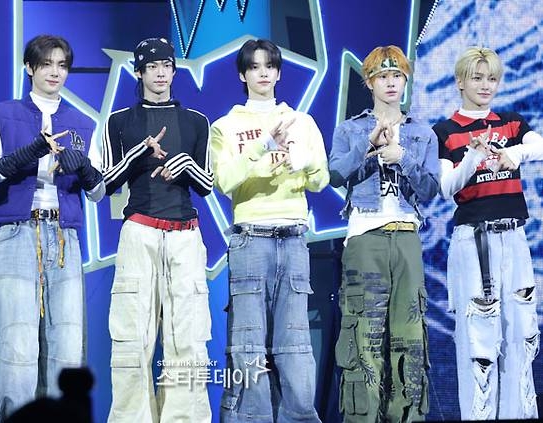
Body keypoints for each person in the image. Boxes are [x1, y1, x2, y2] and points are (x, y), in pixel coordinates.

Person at [0, 34, 104, 422]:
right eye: (46, 64)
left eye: (61, 65)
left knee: (66, 344)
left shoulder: (82, 122)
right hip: (18, 233)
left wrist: (84, 167)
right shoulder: (4, 115)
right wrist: (29, 153)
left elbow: (98, 192)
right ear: (29, 68)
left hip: (64, 237)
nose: (54, 72)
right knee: (15, 347)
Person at [210, 38, 328, 422]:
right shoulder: (226, 126)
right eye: (255, 67)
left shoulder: (302, 122)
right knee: (248, 345)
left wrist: (301, 161)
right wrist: (263, 146)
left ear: (278, 72)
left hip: (293, 238)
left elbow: (321, 179)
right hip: (250, 239)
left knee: (296, 343)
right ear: (243, 75)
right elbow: (224, 180)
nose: (263, 73)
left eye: (270, 66)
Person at [102, 37, 213, 422]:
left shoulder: (196, 121)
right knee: (132, 339)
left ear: (174, 70)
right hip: (140, 233)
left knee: (188, 339)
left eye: (166, 65)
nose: (160, 73)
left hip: (185, 235)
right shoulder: (120, 121)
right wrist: (139, 153)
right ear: (139, 72)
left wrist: (184, 164)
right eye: (151, 67)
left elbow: (207, 184)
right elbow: (106, 183)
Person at [328, 45, 439, 422]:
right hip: (366, 237)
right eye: (382, 76)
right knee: (365, 338)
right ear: (369, 82)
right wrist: (369, 146)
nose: (391, 83)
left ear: (406, 81)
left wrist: (402, 157)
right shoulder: (350, 129)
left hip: (406, 236)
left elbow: (430, 189)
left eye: (397, 76)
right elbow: (334, 175)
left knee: (409, 338)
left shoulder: (422, 133)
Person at [433, 46, 541, 420]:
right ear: (460, 81)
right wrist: (474, 157)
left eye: (491, 78)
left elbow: (539, 145)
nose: (485, 85)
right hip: (473, 240)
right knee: (478, 344)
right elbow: (446, 187)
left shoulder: (511, 123)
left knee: (521, 336)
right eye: (477, 77)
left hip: (514, 237)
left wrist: (517, 154)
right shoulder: (445, 131)